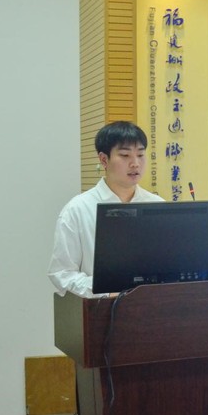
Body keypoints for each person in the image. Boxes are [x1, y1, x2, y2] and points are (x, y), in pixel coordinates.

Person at [48, 121, 163, 298]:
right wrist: (105, 291)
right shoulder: (78, 209)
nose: (135, 163)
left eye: (140, 155)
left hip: (153, 306)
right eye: (125, 155)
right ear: (104, 159)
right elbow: (62, 273)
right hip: (101, 308)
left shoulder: (157, 205)